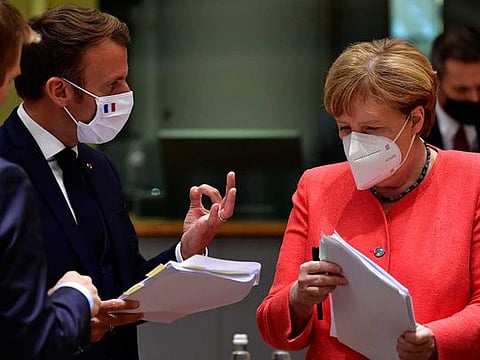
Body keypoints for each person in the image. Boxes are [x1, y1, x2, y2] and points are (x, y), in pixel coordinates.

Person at [0, 4, 236, 360]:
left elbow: (123, 286)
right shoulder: (4, 169)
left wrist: (184, 250)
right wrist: (75, 313)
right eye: (112, 83)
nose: (126, 92)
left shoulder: (100, 167)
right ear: (60, 91)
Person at [256, 38, 480, 359]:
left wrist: (437, 339)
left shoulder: (472, 180)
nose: (357, 144)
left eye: (371, 128)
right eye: (345, 128)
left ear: (415, 120)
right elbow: (272, 328)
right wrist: (297, 298)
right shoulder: (316, 185)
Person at [0, 1, 102, 359]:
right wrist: (74, 297)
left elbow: (122, 273)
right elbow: (29, 337)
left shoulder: (98, 167)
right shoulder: (6, 176)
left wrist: (184, 251)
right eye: (10, 78)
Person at [425, 25, 480, 152]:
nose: (474, 98)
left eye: (479, 88)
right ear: (435, 82)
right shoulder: (415, 128)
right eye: (461, 90)